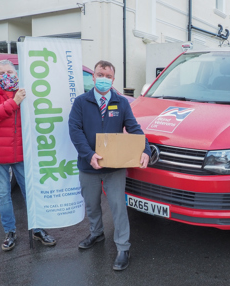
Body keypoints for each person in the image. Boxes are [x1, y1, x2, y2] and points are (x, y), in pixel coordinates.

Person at [68, 60, 151, 271]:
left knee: (118, 207)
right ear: (93, 77)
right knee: (92, 205)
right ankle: (96, 234)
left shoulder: (121, 103)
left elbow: (134, 128)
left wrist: (145, 150)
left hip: (115, 167)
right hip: (89, 165)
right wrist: (89, 155)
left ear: (113, 79)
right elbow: (75, 130)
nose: (103, 79)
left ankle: (123, 247)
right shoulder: (81, 102)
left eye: (108, 76)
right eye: (99, 74)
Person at [0, 60, 56, 251]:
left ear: (16, 73)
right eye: (2, 72)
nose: (7, 75)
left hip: (22, 154)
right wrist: (14, 103)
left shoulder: (24, 91)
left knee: (30, 194)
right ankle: (10, 232)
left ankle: (38, 230)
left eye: (10, 71)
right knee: (4, 196)